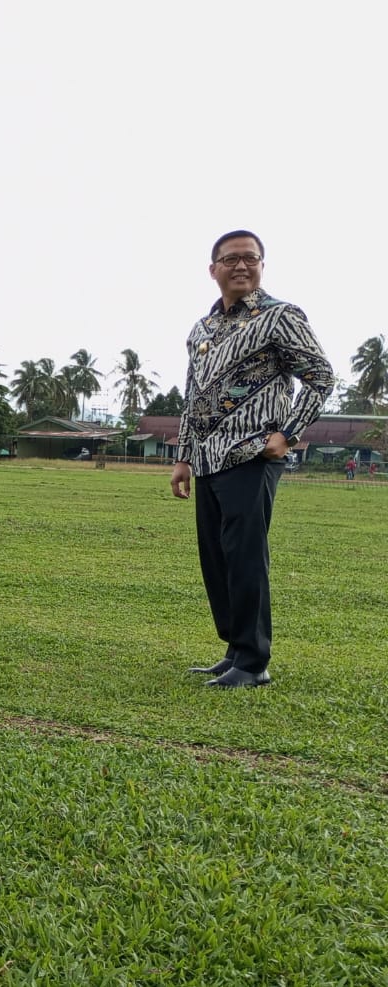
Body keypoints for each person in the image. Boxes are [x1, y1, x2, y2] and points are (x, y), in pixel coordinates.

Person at [171, 230, 334, 687]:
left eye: (250, 258)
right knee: (217, 559)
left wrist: (288, 434)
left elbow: (320, 377)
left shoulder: (281, 317)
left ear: (262, 265)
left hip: (252, 454)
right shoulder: (202, 330)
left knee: (245, 557)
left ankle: (254, 662)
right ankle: (235, 648)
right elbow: (193, 397)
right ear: (213, 269)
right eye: (230, 259)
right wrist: (183, 458)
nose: (241, 266)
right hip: (207, 459)